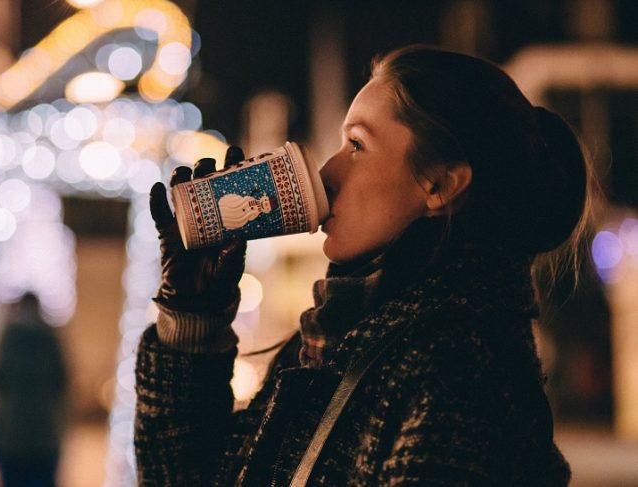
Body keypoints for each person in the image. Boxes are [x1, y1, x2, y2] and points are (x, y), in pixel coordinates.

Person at [135, 45, 590, 486]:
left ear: (439, 184)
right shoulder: (338, 338)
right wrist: (193, 317)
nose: (328, 172)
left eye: (357, 144)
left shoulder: (455, 370)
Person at [0, 292, 68, 487]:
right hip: (43, 433)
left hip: (13, 434)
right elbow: (61, 380)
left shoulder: (10, 337)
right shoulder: (49, 337)